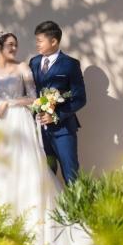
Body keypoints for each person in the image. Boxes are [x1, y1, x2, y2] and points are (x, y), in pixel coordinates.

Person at [0, 30, 102, 245]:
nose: (14, 48)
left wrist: (9, 103)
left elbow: (33, 97)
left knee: (25, 169)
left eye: (16, 44)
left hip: (18, 121)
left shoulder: (24, 67)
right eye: (10, 45)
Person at [29, 21, 86, 185]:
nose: (37, 44)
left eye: (40, 41)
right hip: (39, 130)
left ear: (53, 41)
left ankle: (76, 202)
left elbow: (80, 98)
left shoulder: (70, 64)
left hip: (63, 130)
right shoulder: (33, 62)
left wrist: (56, 115)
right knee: (45, 176)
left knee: (70, 174)